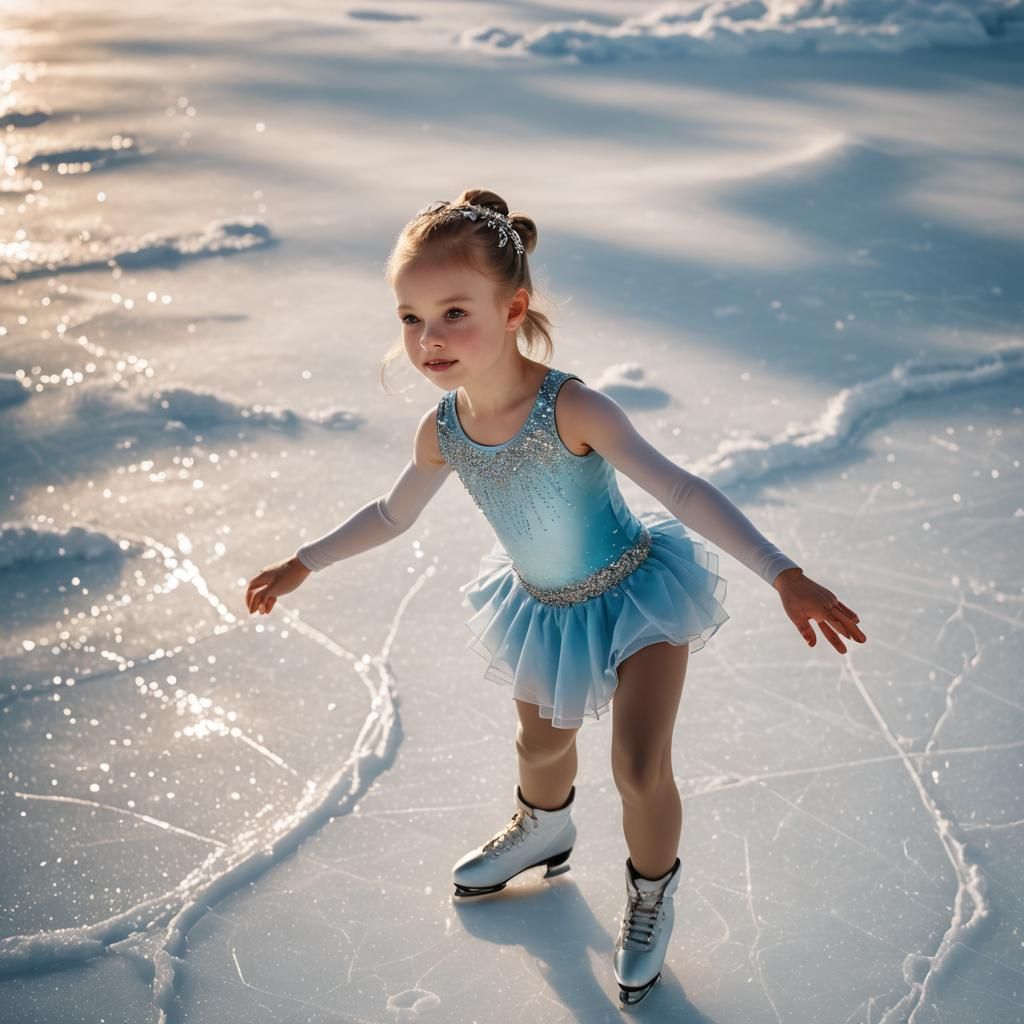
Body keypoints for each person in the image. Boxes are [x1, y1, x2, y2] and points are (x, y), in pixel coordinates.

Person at [244, 188, 867, 1005]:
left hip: (638, 596)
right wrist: (304, 562)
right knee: (539, 752)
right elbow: (393, 513)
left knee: (639, 767)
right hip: (544, 608)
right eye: (409, 317)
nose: (428, 339)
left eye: (454, 312)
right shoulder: (444, 431)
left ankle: (650, 896)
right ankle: (545, 829)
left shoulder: (571, 405)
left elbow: (679, 489)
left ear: (514, 308)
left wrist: (783, 571)